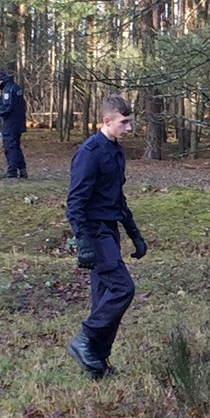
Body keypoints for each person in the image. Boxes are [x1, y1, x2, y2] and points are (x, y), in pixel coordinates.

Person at [64, 95, 148, 378]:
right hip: (94, 231)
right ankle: (84, 339)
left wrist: (133, 233)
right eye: (124, 123)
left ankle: (97, 364)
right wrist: (83, 242)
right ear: (107, 121)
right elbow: (75, 202)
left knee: (103, 299)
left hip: (110, 229)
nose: (129, 128)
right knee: (123, 289)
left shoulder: (116, 152)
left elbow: (117, 198)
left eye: (130, 122)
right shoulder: (89, 153)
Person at [0, 70, 28, 179]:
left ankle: (12, 171)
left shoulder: (8, 91)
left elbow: (7, 108)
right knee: (15, 147)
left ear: (1, 81)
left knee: (10, 147)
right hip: (17, 123)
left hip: (10, 124)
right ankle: (22, 170)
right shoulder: (15, 88)